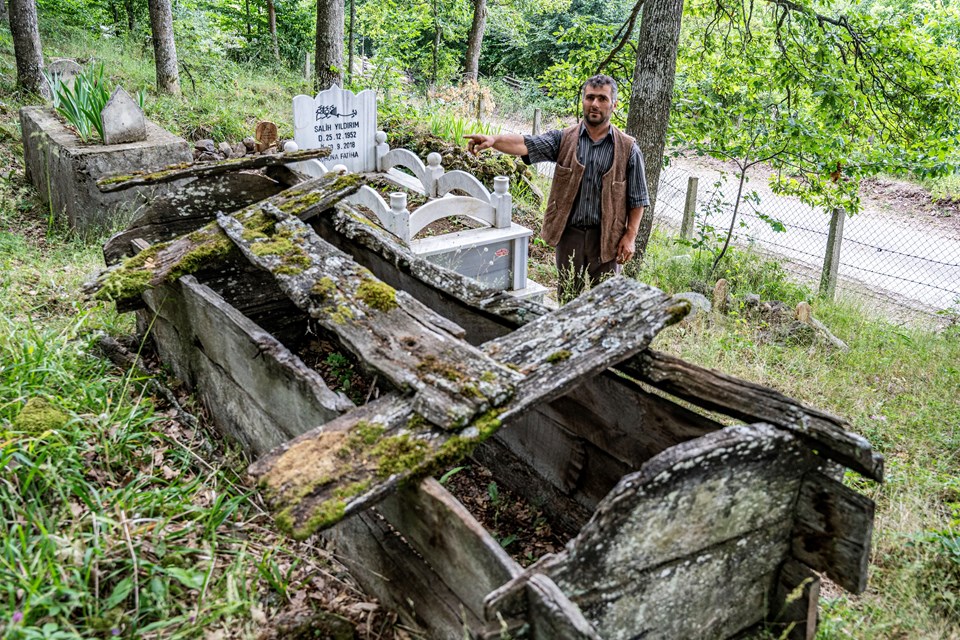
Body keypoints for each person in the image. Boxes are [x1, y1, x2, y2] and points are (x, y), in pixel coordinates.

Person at [465, 74, 649, 300]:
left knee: (605, 304)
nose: (594, 104)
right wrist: (494, 140)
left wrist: (630, 237)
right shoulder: (564, 139)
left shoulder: (628, 148)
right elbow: (525, 143)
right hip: (569, 235)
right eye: (590, 97)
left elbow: (638, 199)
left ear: (614, 104)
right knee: (568, 299)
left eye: (602, 98)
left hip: (607, 239)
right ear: (582, 100)